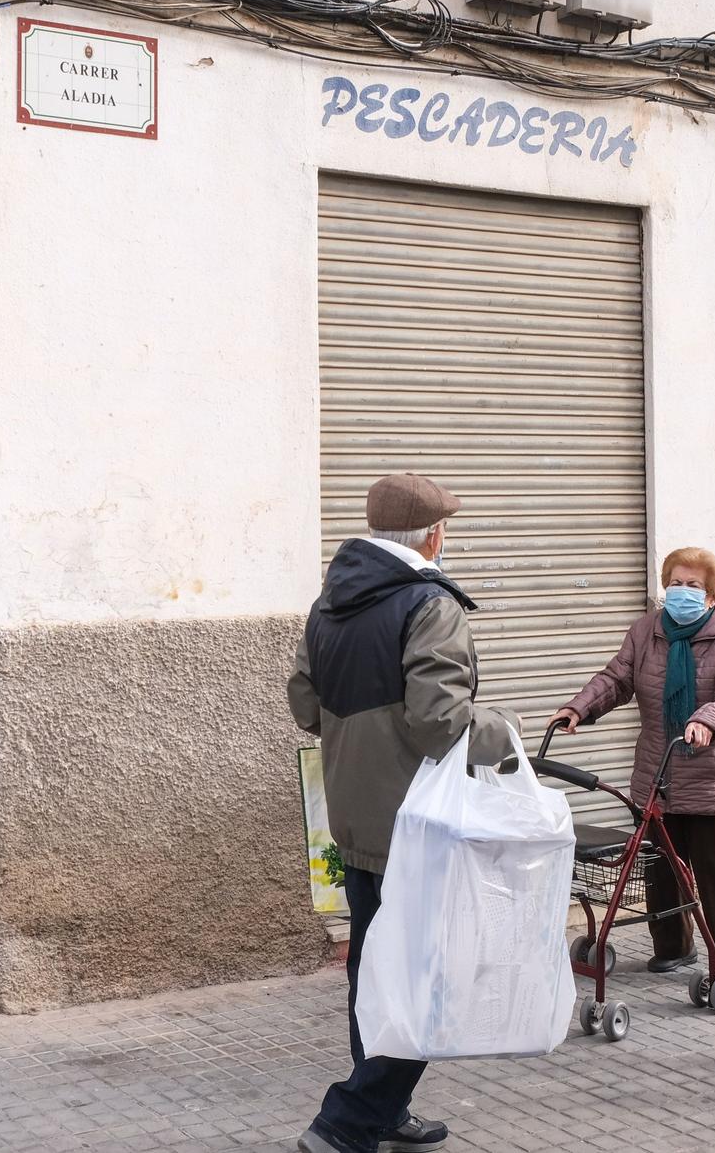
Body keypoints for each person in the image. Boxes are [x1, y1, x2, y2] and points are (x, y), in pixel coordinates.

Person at [288, 472, 519, 1153]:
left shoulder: (329, 602)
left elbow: (305, 703)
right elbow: (438, 723)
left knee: (376, 974)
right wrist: (502, 731)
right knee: (430, 982)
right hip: (417, 826)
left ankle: (384, 1112)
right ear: (434, 535)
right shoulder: (428, 604)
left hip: (354, 818)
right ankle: (348, 1121)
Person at [550, 548, 715, 982]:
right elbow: (616, 678)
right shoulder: (646, 631)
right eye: (676, 582)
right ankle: (673, 947)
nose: (682, 591)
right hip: (659, 772)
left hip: (711, 774)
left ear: (711, 595)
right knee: (659, 869)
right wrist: (578, 709)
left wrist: (709, 719)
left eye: (694, 585)